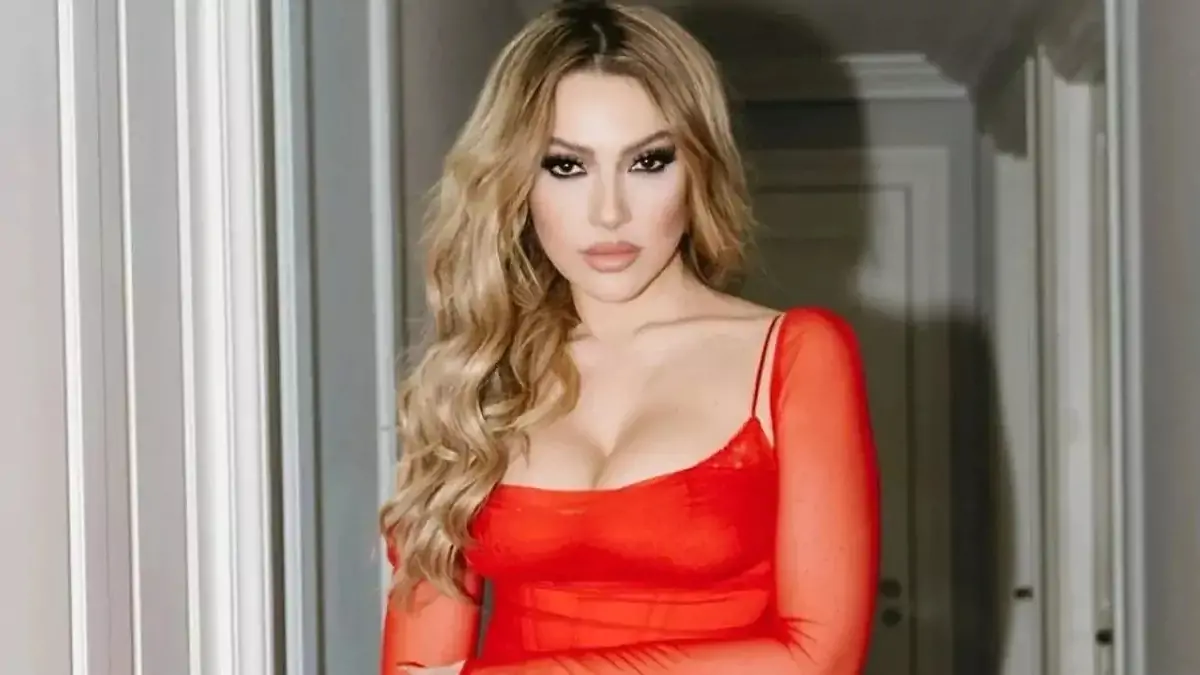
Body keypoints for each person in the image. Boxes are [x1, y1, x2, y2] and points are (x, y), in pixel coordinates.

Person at [377, 1, 880, 673]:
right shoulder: (473, 379)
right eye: (566, 166)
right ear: (515, 180)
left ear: (698, 167)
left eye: (647, 162)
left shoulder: (795, 355)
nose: (609, 211)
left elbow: (821, 657)